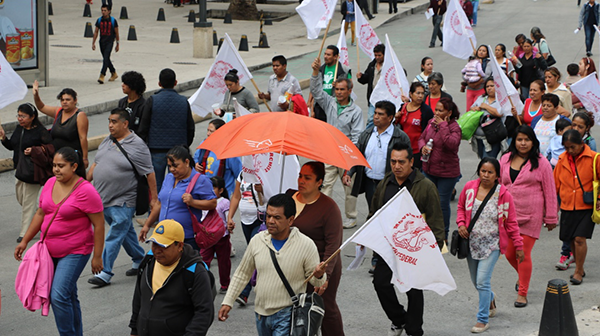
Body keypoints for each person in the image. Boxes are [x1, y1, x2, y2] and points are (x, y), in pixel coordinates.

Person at [14, 147, 105, 336]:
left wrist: (97, 256)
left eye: (61, 166)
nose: (56, 169)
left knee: (58, 295)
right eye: (54, 165)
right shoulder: (49, 183)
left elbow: (99, 225)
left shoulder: (86, 191)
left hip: (76, 250)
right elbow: (40, 213)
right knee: (69, 296)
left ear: (74, 167)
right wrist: (25, 241)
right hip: (49, 250)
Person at [218, 194, 327, 335]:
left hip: (287, 314)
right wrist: (228, 301)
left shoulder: (306, 245)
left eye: (277, 217)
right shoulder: (257, 241)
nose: (270, 221)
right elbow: (242, 274)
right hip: (260, 314)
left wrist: (319, 274)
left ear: (290, 220)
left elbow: (316, 281)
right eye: (268, 216)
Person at [370, 142, 445, 336]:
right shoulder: (385, 183)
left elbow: (436, 219)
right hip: (388, 247)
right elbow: (374, 213)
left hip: (414, 249)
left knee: (413, 290)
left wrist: (436, 249)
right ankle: (398, 319)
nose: (397, 166)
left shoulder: (425, 186)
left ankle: (414, 330)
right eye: (393, 161)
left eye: (401, 162)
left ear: (411, 161)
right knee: (381, 283)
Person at [86, 108, 158, 287]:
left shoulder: (137, 145)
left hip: (124, 200)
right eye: (109, 121)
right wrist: (83, 184)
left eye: (114, 122)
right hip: (102, 199)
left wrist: (154, 198)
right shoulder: (107, 141)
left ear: (125, 124)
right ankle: (139, 258)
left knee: (115, 233)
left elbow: (149, 172)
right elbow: (96, 164)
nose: (110, 125)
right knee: (125, 232)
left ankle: (105, 271)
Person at [457, 157, 524, 333]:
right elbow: (460, 208)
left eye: (490, 172)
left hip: (492, 245)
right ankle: (490, 299)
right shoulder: (469, 188)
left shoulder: (503, 194)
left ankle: (482, 319)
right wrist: (461, 224)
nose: (485, 175)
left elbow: (511, 222)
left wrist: (518, 246)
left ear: (497, 175)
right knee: (477, 282)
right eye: (483, 171)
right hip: (471, 243)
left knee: (482, 281)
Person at [499, 126, 558, 308]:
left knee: (522, 253)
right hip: (507, 215)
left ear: (533, 142)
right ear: (514, 141)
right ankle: (523, 276)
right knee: (509, 253)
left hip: (531, 215)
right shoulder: (505, 159)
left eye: (527, 140)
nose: (523, 143)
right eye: (519, 139)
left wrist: (551, 217)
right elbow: (498, 185)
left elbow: (550, 191)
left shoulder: (542, 163)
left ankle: (522, 293)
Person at [286, 162, 345, 336]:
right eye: (300, 176)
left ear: (319, 182)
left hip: (321, 266)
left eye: (307, 178)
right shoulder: (288, 197)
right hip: (293, 265)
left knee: (325, 308)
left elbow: (334, 245)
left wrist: (325, 276)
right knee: (295, 307)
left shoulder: (329, 208)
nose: (301, 181)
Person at [130, 219, 215, 336]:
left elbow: (204, 312)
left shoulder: (194, 271)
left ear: (179, 246)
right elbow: (138, 298)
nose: (157, 250)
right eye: (154, 244)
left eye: (163, 246)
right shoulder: (148, 262)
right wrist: (134, 329)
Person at [310, 57, 364, 229]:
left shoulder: (356, 111)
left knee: (349, 187)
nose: (339, 92)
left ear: (349, 90)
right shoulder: (330, 103)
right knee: (325, 185)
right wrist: (315, 72)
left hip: (347, 154)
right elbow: (317, 92)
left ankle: (351, 216)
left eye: (342, 90)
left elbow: (356, 136)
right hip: (330, 151)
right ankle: (321, 215)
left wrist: (350, 160)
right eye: (337, 89)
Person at [139, 146, 217, 250]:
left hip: (186, 238)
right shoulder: (169, 177)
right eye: (169, 166)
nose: (171, 169)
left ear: (187, 162)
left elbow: (212, 203)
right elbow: (159, 204)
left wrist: (193, 202)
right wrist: (147, 225)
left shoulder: (200, 180)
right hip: (164, 235)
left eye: (175, 166)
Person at [137, 68, 195, 193]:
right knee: (177, 182)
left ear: (159, 83)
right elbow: (190, 127)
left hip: (156, 149)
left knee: (156, 184)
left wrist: (146, 145)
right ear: (175, 82)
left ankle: (156, 209)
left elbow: (143, 127)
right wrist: (184, 146)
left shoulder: (152, 100)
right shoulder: (183, 101)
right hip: (178, 151)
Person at [0, 103, 52, 242]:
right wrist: (3, 138)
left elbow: (50, 147)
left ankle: (25, 232)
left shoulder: (40, 131)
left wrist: (35, 150)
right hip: (19, 170)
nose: (20, 119)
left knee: (28, 202)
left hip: (33, 170)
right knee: (21, 198)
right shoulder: (19, 129)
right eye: (18, 115)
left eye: (23, 116)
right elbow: (12, 146)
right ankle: (41, 218)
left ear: (32, 117)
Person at [554, 129, 600, 285]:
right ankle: (579, 265)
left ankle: (578, 270)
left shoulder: (595, 158)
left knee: (580, 239)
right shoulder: (562, 160)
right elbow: (555, 184)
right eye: (566, 147)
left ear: (581, 143)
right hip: (567, 205)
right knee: (571, 239)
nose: (570, 151)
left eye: (572, 147)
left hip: (586, 205)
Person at [419, 97, 461, 240]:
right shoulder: (431, 123)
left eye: (440, 110)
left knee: (442, 204)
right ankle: (427, 232)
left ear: (448, 113)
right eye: (435, 109)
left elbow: (451, 144)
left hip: (447, 173)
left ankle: (443, 235)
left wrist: (443, 125)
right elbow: (421, 138)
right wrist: (422, 147)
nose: (436, 113)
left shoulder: (455, 127)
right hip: (429, 169)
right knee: (427, 202)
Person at [226, 172, 266, 305]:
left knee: (252, 254)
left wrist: (263, 190)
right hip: (245, 221)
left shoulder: (264, 174)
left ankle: (244, 292)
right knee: (258, 255)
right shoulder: (242, 174)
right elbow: (236, 196)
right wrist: (230, 217)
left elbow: (274, 197)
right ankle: (263, 282)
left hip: (259, 220)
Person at [33, 81, 90, 168]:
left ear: (75, 101)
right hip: (56, 157)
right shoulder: (59, 111)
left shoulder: (80, 116)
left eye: (68, 100)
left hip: (71, 159)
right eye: (62, 100)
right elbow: (41, 107)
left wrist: (85, 158)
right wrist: (36, 95)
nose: (64, 102)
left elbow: (83, 138)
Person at [198, 176, 232, 294]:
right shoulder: (204, 201)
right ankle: (203, 281)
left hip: (222, 237)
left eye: (213, 188)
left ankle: (225, 284)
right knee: (203, 260)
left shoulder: (224, 202)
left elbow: (229, 217)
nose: (210, 191)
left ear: (221, 190)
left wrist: (229, 224)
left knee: (223, 262)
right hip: (207, 236)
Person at [193, 119, 242, 196]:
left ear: (220, 132)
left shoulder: (229, 151)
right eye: (208, 130)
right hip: (204, 192)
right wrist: (195, 165)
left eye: (211, 131)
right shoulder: (204, 144)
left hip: (223, 196)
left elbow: (239, 175)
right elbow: (195, 158)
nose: (208, 134)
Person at [470, 77, 510, 159]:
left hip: (493, 137)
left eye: (492, 86)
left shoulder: (501, 100)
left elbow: (499, 113)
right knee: (482, 159)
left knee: (487, 160)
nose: (489, 88)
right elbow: (471, 108)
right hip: (479, 137)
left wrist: (486, 107)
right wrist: (475, 109)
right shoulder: (481, 98)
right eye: (487, 86)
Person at [395, 83, 433, 168]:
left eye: (422, 93)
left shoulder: (426, 111)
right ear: (411, 94)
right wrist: (396, 118)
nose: (420, 96)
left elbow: (429, 130)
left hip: (417, 151)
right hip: (403, 148)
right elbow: (396, 125)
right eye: (418, 93)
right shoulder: (403, 107)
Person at [310, 45, 352, 122]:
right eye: (325, 54)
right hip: (320, 105)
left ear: (335, 56)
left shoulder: (343, 69)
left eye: (328, 55)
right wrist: (310, 104)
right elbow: (314, 88)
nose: (325, 56)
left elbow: (350, 85)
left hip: (335, 104)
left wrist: (339, 83)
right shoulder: (320, 69)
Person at [357, 44, 385, 129]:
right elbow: (366, 79)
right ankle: (367, 136)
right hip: (373, 97)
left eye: (379, 55)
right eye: (375, 55)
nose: (377, 57)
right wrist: (361, 77)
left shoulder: (389, 66)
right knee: (371, 119)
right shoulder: (372, 65)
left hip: (385, 97)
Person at [92, 5, 119, 84]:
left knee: (106, 58)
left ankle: (102, 75)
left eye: (105, 10)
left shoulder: (113, 21)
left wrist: (117, 44)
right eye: (102, 10)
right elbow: (96, 31)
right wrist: (93, 42)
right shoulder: (99, 20)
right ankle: (113, 72)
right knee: (106, 58)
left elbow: (117, 33)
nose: (103, 12)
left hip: (110, 42)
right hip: (102, 42)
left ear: (109, 11)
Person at [465, 45, 492, 112]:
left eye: (484, 51)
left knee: (477, 109)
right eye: (480, 50)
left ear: (487, 53)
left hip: (480, 89)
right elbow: (466, 73)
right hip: (470, 89)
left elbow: (486, 76)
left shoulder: (489, 63)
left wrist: (477, 83)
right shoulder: (472, 61)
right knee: (469, 109)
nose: (481, 52)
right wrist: (468, 82)